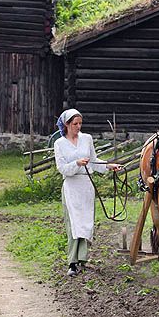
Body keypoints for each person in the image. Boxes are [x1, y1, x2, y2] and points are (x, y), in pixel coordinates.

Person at [54, 109, 122, 277]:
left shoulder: (87, 139)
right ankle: (72, 262)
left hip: (86, 185)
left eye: (80, 123)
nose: (78, 127)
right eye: (75, 124)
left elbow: (94, 160)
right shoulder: (60, 144)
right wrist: (76, 163)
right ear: (67, 125)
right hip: (72, 185)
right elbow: (61, 168)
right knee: (74, 225)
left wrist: (108, 165)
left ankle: (83, 260)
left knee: (85, 223)